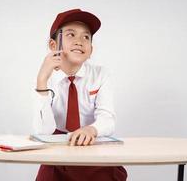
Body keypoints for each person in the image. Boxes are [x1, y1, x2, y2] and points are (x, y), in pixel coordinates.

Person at [33, 9, 128, 181]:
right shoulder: (46, 77)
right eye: (71, 34)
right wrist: (41, 82)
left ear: (91, 49)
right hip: (58, 155)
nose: (79, 41)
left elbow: (107, 118)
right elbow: (43, 132)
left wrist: (92, 129)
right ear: (54, 46)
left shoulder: (101, 75)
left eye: (86, 37)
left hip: (94, 151)